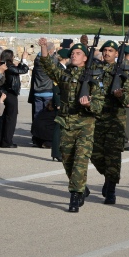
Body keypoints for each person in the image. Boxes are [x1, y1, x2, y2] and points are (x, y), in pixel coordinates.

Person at [38, 37, 104, 212]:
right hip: (66, 123)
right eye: (72, 53)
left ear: (85, 58)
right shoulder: (65, 74)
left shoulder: (94, 77)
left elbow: (99, 105)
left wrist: (89, 104)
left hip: (85, 125)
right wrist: (44, 47)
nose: (73, 56)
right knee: (67, 160)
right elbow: (48, 65)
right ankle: (81, 186)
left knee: (80, 160)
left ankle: (75, 195)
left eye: (78, 53)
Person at [91, 40, 129, 205]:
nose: (107, 53)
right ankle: (109, 178)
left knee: (113, 157)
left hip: (116, 119)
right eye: (105, 50)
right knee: (95, 154)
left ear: (117, 53)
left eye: (111, 50)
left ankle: (111, 189)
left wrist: (120, 95)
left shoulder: (124, 70)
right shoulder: (95, 69)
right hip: (97, 118)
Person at [0, 49, 29, 148]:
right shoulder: (8, 66)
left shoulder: (2, 64)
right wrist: (23, 59)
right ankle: (7, 141)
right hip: (10, 93)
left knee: (2, 117)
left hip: (3, 92)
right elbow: (24, 70)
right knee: (11, 118)